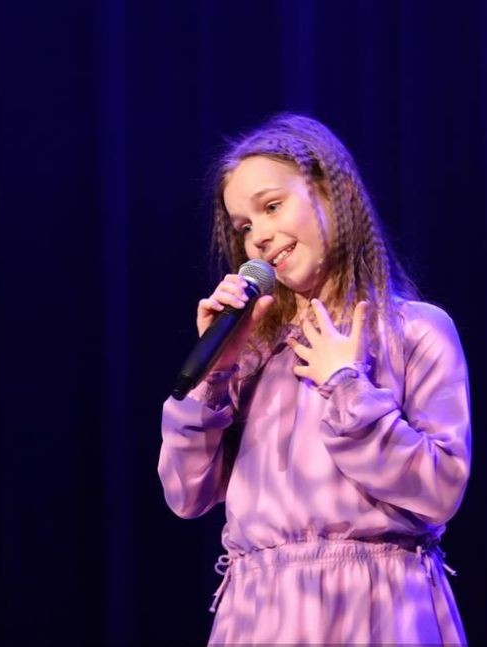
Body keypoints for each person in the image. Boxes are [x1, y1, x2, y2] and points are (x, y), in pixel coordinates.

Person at [158, 113, 471, 645]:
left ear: (334, 193)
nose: (259, 236)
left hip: (378, 608)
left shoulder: (414, 331)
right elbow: (186, 494)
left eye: (272, 206)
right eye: (244, 227)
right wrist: (215, 372)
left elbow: (441, 490)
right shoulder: (253, 353)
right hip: (262, 616)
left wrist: (348, 386)